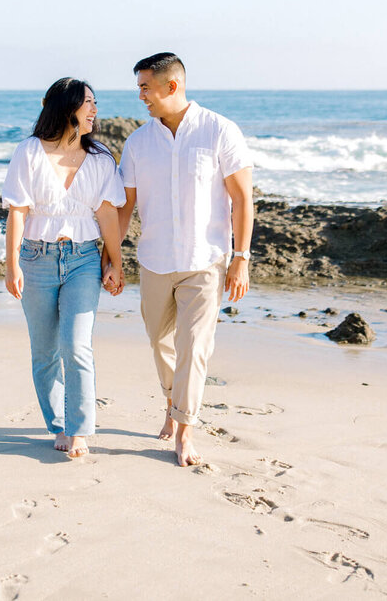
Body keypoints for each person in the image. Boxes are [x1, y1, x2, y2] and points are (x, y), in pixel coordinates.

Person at [117, 53, 254, 467]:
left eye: (145, 87)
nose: (141, 95)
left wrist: (241, 257)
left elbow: (242, 198)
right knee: (161, 345)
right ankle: (173, 402)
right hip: (155, 261)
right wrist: (112, 257)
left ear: (170, 86)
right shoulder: (139, 142)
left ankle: (184, 429)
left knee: (194, 347)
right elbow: (125, 206)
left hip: (205, 262)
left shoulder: (219, 131)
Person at [2, 78, 126, 459]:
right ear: (66, 106)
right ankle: (58, 423)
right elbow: (17, 212)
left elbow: (107, 214)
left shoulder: (102, 159)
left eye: (95, 103)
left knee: (76, 345)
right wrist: (11, 265)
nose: (94, 110)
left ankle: (79, 429)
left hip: (84, 259)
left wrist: (116, 262)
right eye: (88, 102)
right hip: (36, 258)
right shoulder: (29, 152)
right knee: (44, 351)